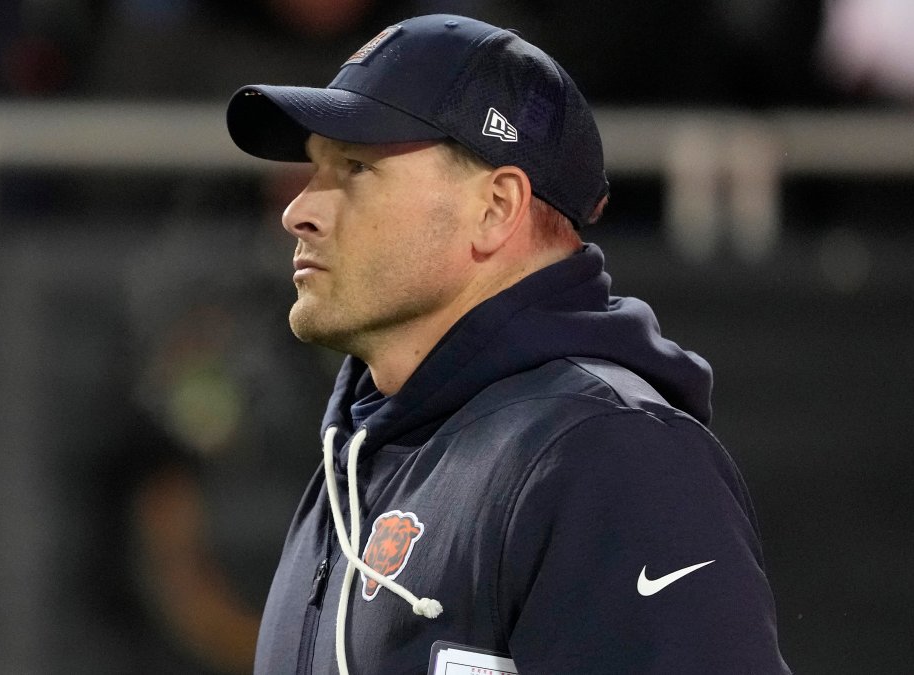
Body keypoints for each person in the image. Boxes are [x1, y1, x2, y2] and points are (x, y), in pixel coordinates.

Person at [225, 14, 791, 674]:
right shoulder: (356, 461)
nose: (300, 209)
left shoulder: (609, 456)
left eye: (353, 167)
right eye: (315, 167)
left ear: (496, 207)